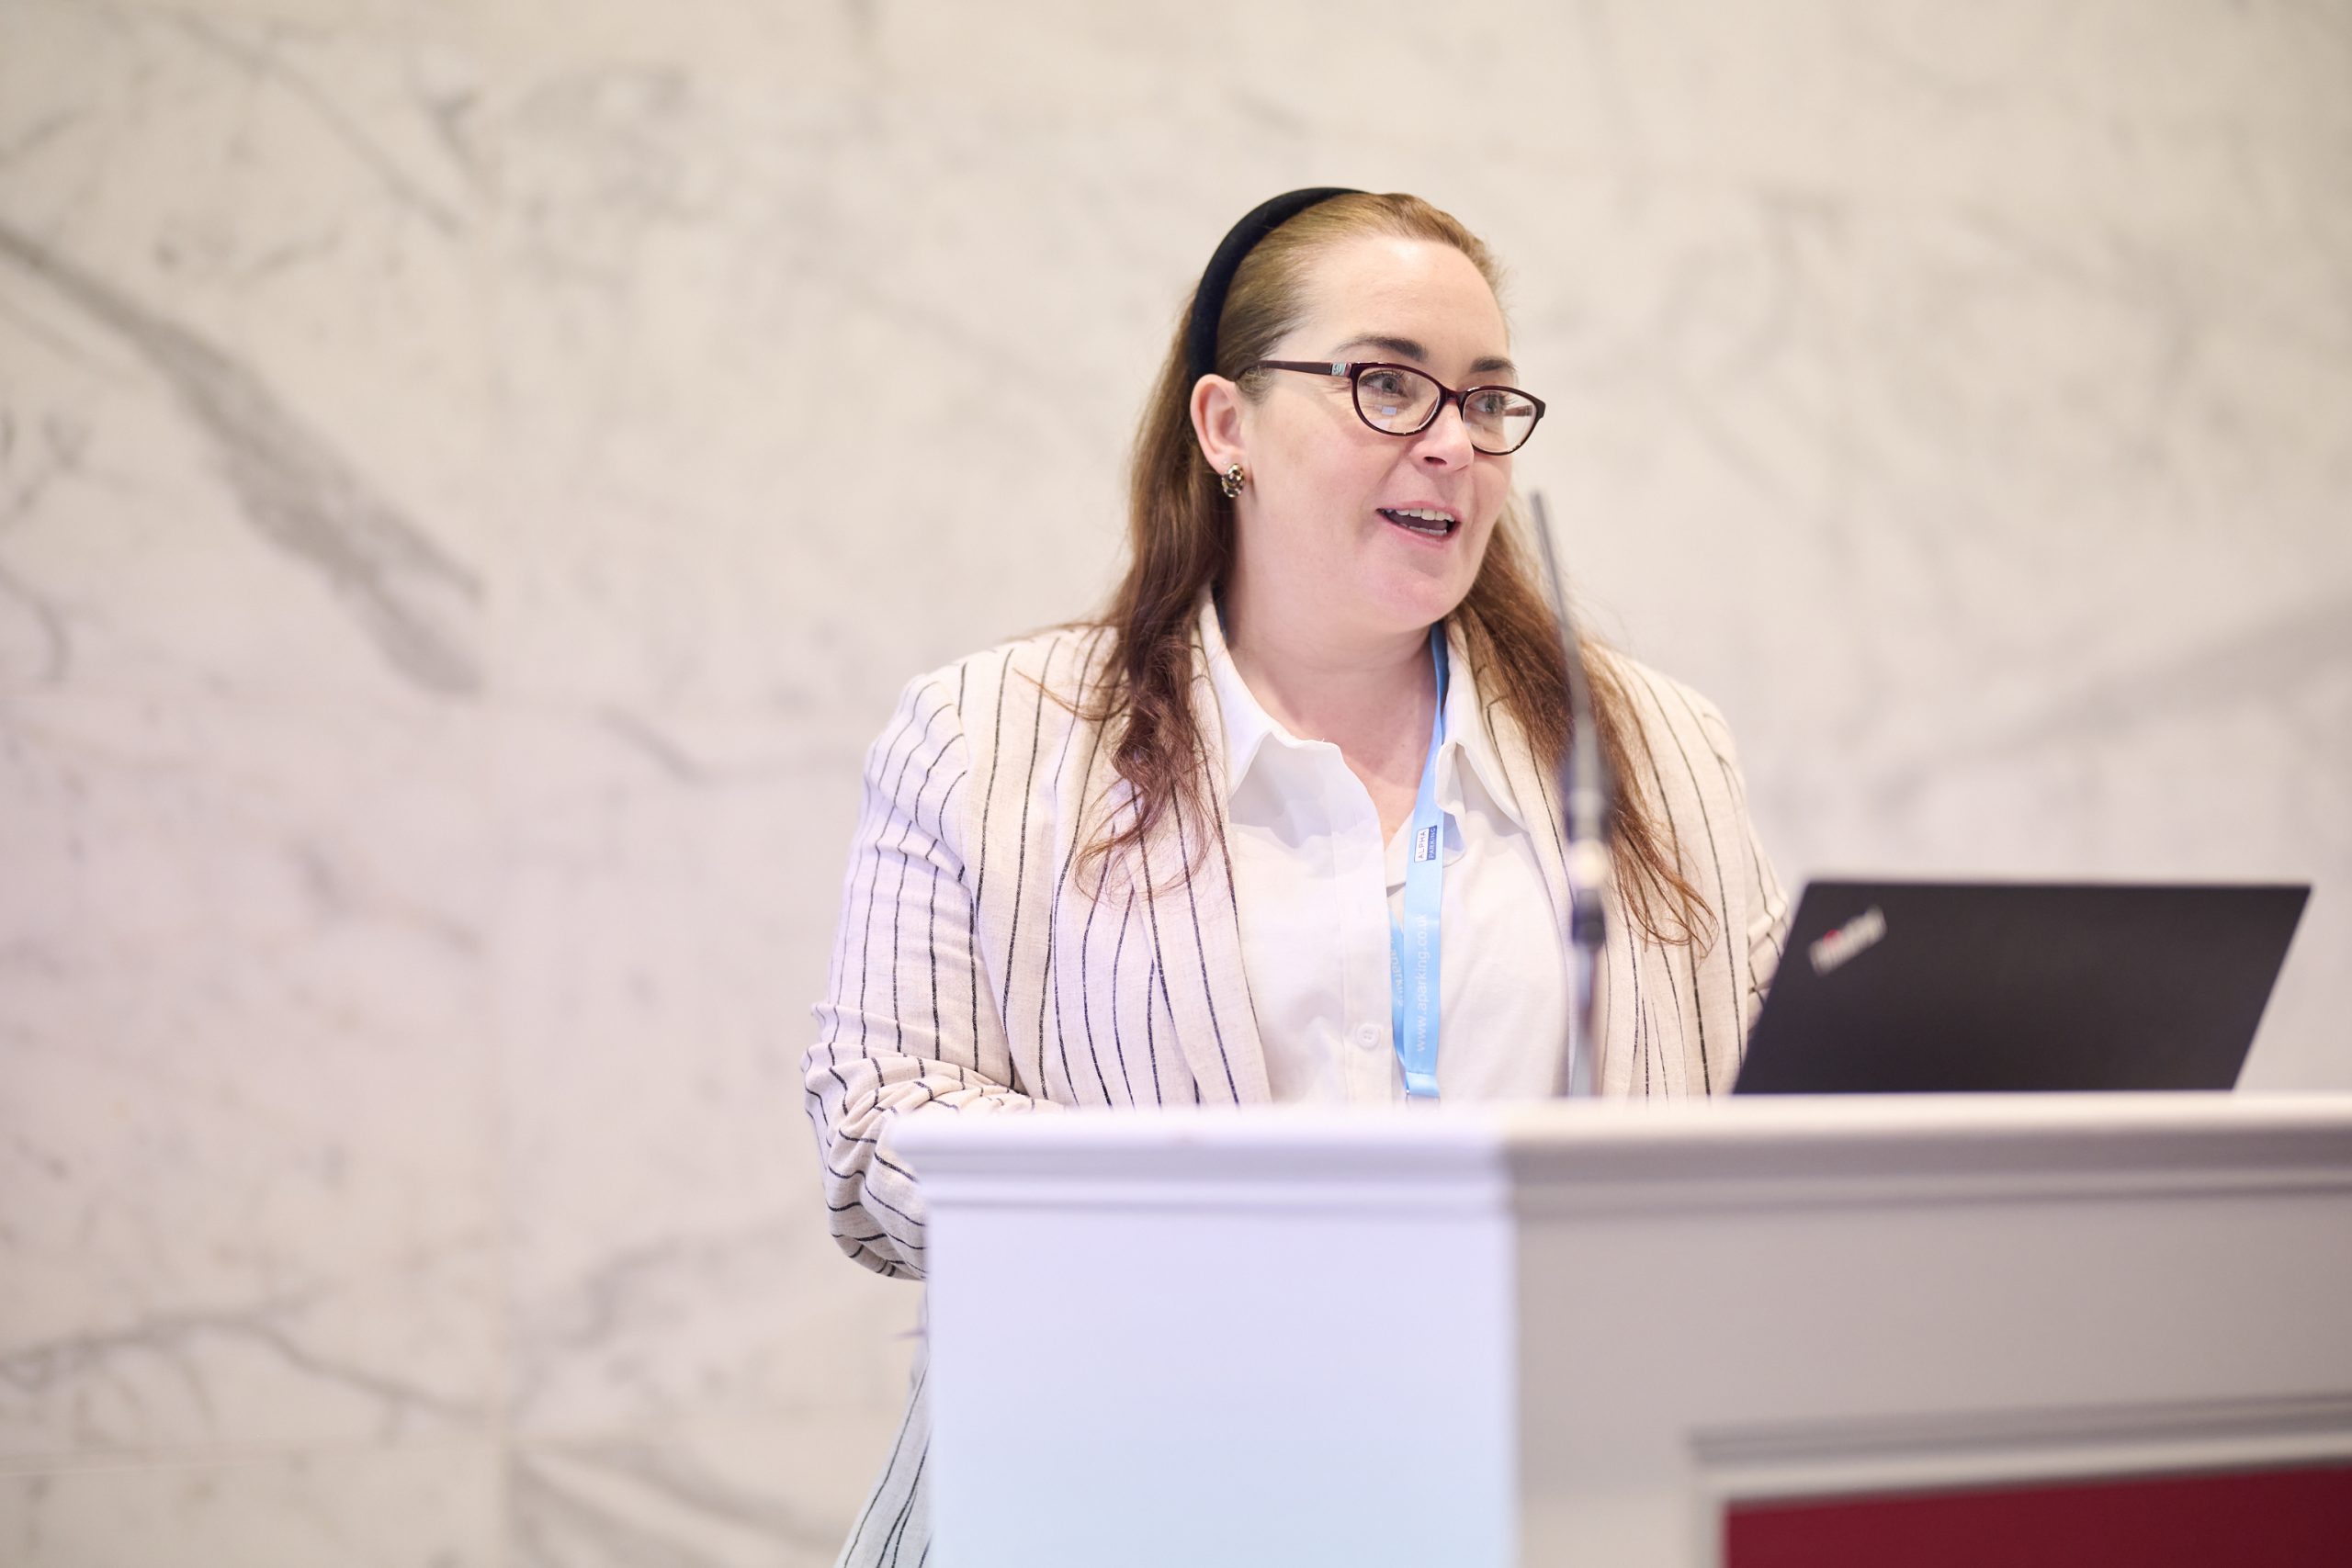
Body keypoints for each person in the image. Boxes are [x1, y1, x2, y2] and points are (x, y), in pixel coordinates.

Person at [802, 188, 1788, 1566]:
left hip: (1553, 1507)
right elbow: (875, 1129)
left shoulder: (1655, 744)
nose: (1451, 442)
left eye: (1486, 398)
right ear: (1227, 427)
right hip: (1118, 1503)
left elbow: (1769, 1111)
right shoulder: (990, 735)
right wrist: (1242, 1233)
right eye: (1386, 383)